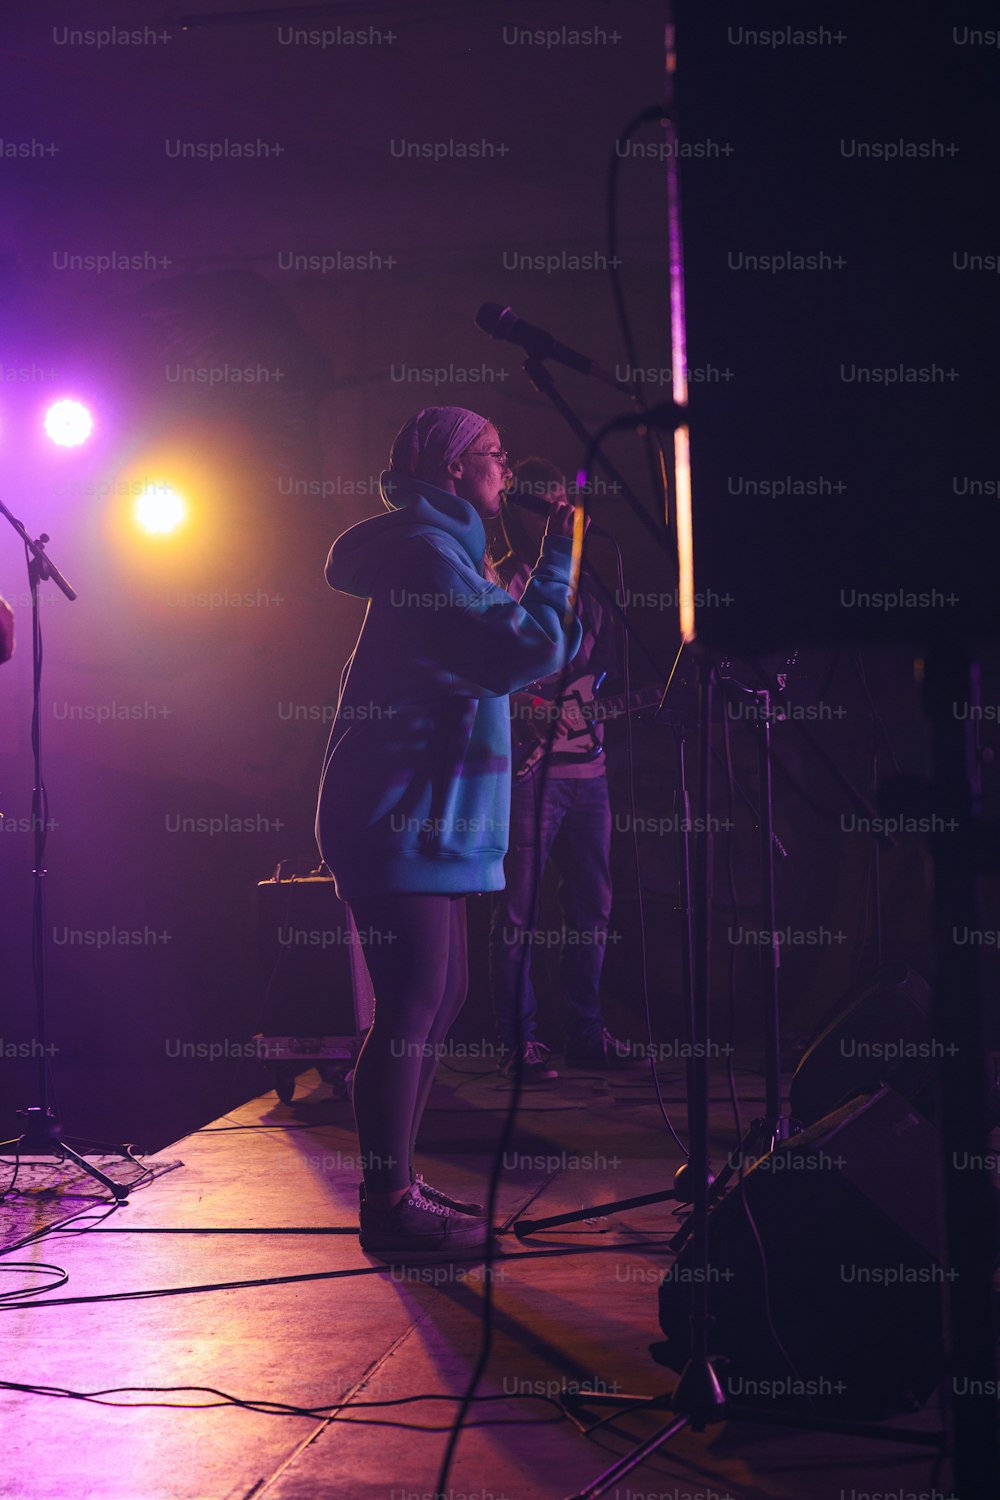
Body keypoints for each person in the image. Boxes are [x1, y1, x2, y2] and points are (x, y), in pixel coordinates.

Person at [315, 407, 582, 1261]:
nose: (507, 470)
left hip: (435, 818)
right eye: (494, 456)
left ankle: (400, 1186)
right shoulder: (426, 553)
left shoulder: (453, 555)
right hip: (397, 813)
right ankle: (387, 1202)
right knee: (412, 1005)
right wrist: (559, 561)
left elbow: (488, 659)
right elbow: (523, 648)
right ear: (454, 469)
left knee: (443, 999)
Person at [488, 457, 632, 1081]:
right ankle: (520, 1042)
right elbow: (487, 682)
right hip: (530, 775)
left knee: (592, 912)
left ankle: (587, 1034)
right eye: (549, 506)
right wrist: (537, 710)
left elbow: (597, 680)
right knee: (519, 913)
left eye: (565, 506)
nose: (562, 517)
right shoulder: (506, 581)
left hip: (589, 775)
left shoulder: (594, 590)